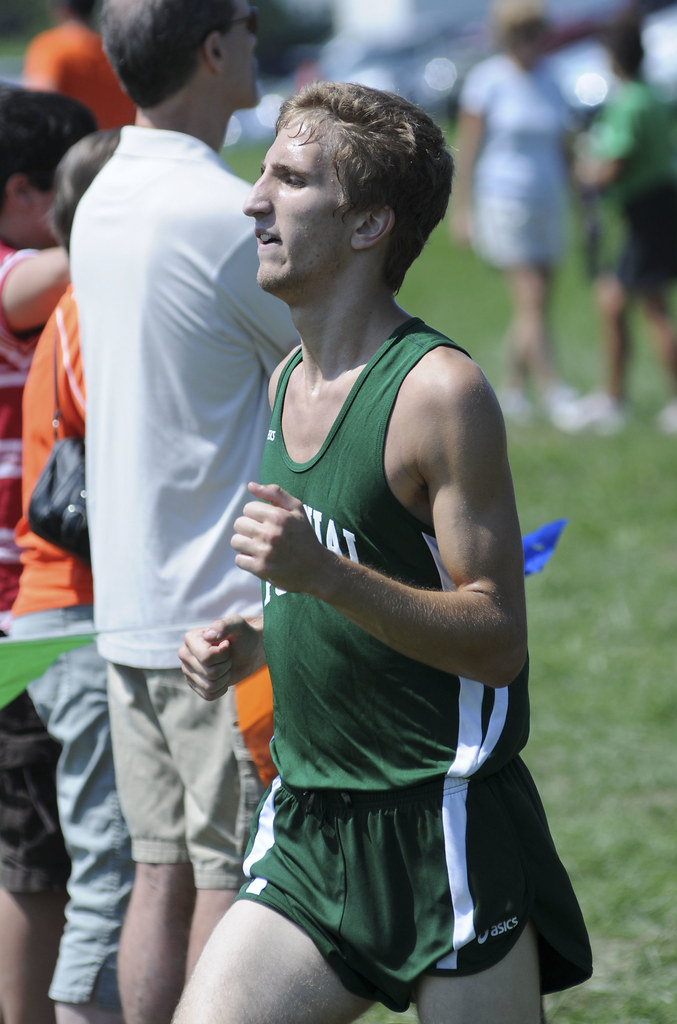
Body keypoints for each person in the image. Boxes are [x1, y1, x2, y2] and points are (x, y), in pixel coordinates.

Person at [175, 80, 593, 1024]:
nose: (252, 201)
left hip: (439, 820)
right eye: (262, 175)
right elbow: (366, 578)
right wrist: (260, 638)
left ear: (368, 225)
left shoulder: (440, 391)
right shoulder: (287, 378)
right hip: (309, 819)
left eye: (289, 180)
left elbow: (495, 636)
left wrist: (321, 576)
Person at [68, 2, 298, 1022]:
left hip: (130, 604)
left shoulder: (104, 191)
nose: (254, 37)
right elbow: (332, 358)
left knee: (156, 872)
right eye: (245, 21)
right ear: (211, 50)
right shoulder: (220, 210)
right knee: (229, 877)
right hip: (221, 616)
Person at [11, 128, 134, 1024]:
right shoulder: (85, 310)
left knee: (79, 864)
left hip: (59, 615)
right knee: (102, 870)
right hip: (71, 614)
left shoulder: (75, 309)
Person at [0, 86, 97, 1024]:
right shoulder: (17, 276)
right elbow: (23, 287)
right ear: (24, 196)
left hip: (20, 612)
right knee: (37, 861)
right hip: (18, 622)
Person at [555, 13, 677, 436]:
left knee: (645, 306)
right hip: (660, 207)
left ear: (613, 56)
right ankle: (616, 397)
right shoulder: (655, 95)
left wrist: (583, 171)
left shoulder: (629, 103)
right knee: (627, 303)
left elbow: (615, 164)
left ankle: (636, 401)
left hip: (643, 212)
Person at [450, 0, 576, 425]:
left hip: (548, 199)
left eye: (536, 32)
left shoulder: (552, 76)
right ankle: (553, 390)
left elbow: (565, 143)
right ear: (506, 37)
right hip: (505, 200)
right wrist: (463, 210)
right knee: (532, 297)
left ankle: (513, 390)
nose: (530, 42)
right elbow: (468, 151)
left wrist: (580, 192)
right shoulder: (488, 81)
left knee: (536, 305)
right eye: (522, 34)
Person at [22, 1, 136, 130]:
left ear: (63, 8)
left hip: (75, 141)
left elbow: (39, 106)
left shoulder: (50, 47)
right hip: (118, 138)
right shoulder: (116, 47)